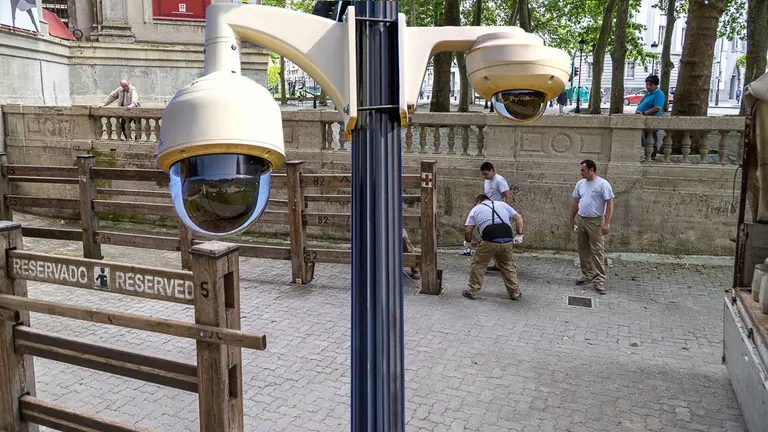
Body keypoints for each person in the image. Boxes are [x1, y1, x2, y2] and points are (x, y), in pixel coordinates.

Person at [462, 194, 524, 300]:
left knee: (479, 264)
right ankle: (515, 292)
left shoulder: (475, 209)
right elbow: (519, 218)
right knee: (507, 265)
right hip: (507, 238)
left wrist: (468, 243)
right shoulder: (502, 204)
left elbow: (468, 230)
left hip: (489, 240)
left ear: (478, 201)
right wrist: (519, 234)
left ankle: (472, 291)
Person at [570, 160, 615, 294]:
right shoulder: (580, 184)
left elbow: (610, 203)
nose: (581, 172)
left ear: (591, 170)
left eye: (583, 170)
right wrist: (572, 217)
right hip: (582, 219)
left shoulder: (603, 184)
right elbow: (575, 201)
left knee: (597, 250)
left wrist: (607, 222)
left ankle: (600, 278)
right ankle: (588, 274)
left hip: (596, 221)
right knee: (583, 249)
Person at [459, 162, 512, 258]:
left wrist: (506, 212)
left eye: (486, 174)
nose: (485, 177)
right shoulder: (486, 180)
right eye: (483, 174)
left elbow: (507, 196)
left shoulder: (499, 180)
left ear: (492, 170)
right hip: (487, 209)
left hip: (497, 210)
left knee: (496, 237)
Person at [635, 75, 666, 160]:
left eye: (650, 85)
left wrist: (644, 113)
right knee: (645, 140)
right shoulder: (648, 93)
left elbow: (657, 108)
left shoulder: (659, 94)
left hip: (652, 121)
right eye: (647, 84)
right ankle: (647, 156)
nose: (648, 86)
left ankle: (651, 157)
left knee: (651, 139)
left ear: (656, 85)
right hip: (643, 120)